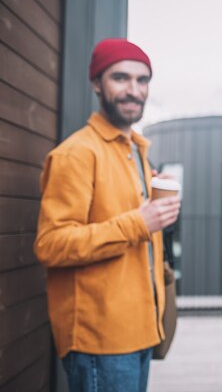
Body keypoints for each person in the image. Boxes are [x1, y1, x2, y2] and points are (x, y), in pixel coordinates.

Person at [34, 38, 181, 392]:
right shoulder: (76, 155)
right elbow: (51, 245)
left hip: (142, 329)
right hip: (100, 339)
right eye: (121, 78)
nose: (134, 90)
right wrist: (138, 222)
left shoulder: (137, 153)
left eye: (142, 80)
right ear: (97, 83)